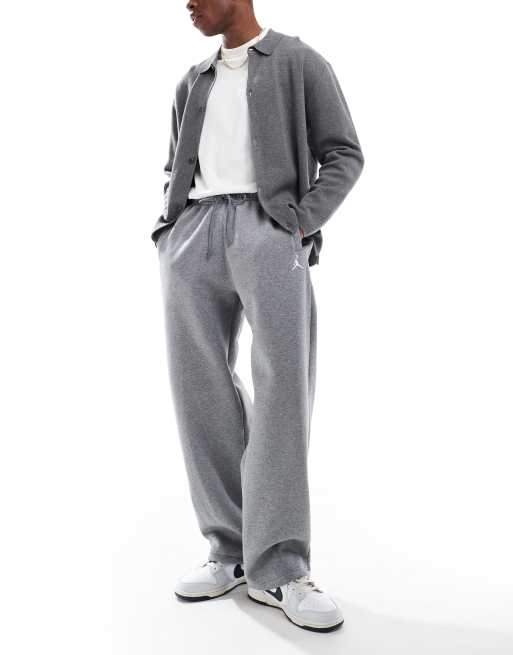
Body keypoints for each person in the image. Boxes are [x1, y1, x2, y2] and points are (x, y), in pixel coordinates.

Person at [151, 0, 364, 633]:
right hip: (193, 234)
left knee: (281, 392)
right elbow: (175, 163)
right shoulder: (193, 80)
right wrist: (170, 226)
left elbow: (344, 153)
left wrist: (298, 223)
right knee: (198, 389)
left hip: (268, 232)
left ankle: (282, 566)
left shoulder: (298, 61)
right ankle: (229, 549)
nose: (186, 3)